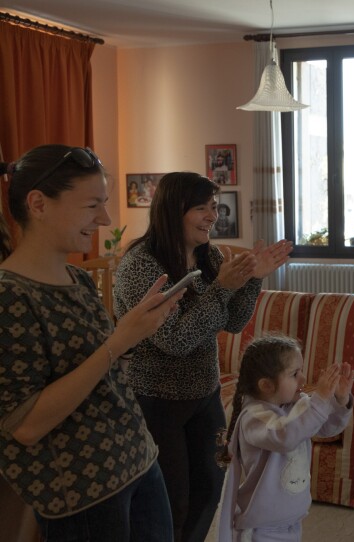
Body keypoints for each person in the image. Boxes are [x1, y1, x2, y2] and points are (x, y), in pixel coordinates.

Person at [0, 145, 187, 541]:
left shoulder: (80, 279)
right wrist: (119, 341)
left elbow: (101, 373)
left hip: (138, 462)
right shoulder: (9, 295)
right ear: (38, 204)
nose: (104, 219)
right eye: (91, 205)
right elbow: (26, 425)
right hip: (83, 494)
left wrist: (137, 333)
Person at [112, 172, 292, 542]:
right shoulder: (141, 265)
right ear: (172, 210)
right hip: (157, 400)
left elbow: (233, 322)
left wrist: (252, 279)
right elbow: (176, 339)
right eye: (201, 208)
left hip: (204, 393)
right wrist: (222, 287)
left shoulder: (208, 255)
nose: (213, 216)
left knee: (210, 488)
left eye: (213, 206)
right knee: (172, 502)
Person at [216, 335, 353, 542]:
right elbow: (285, 436)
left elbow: (326, 427)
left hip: (291, 523)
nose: (303, 379)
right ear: (267, 385)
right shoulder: (253, 418)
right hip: (260, 530)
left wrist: (339, 400)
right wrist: (319, 401)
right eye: (294, 374)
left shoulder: (294, 404)